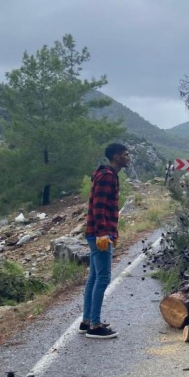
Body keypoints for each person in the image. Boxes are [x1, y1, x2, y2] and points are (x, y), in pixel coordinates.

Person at [80, 143, 130, 339]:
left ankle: (87, 320)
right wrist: (103, 234)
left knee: (94, 277)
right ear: (116, 156)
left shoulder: (106, 174)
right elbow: (99, 207)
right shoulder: (107, 176)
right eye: (125, 154)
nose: (128, 157)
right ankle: (95, 325)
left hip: (99, 232)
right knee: (102, 278)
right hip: (100, 233)